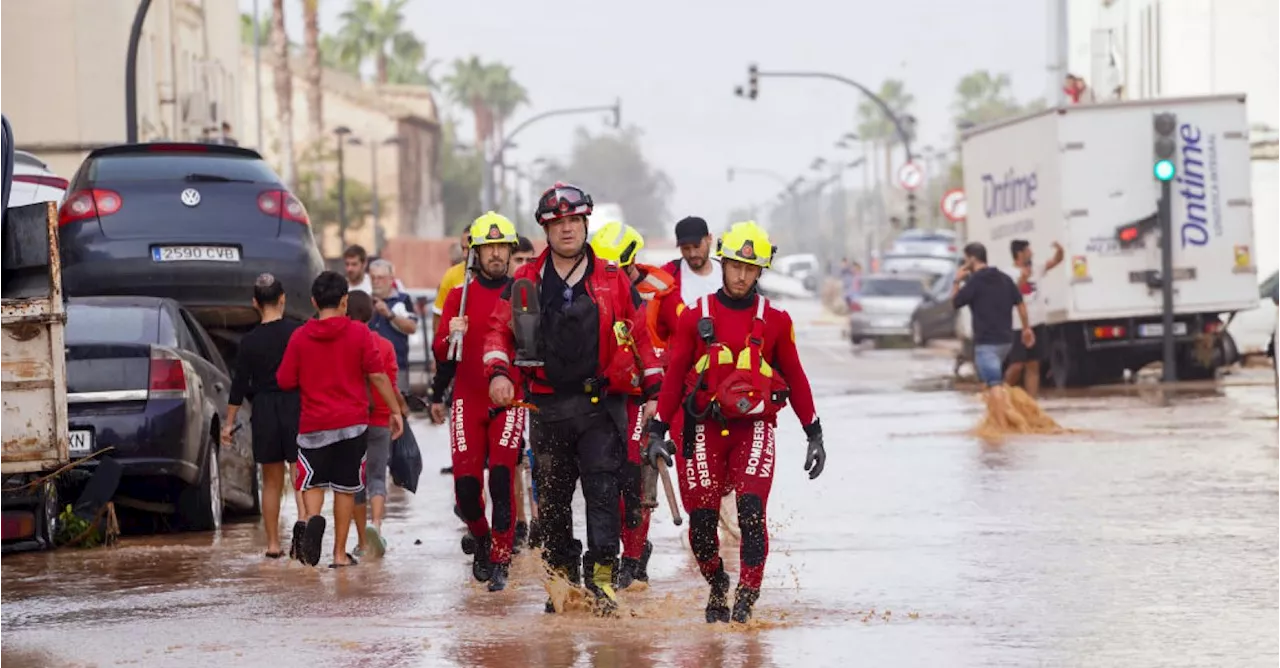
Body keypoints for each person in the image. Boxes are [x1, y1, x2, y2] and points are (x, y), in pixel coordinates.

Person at [483, 182, 662, 616]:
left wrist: (655, 393)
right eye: (557, 223)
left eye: (573, 221)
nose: (566, 230)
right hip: (546, 407)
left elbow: (640, 336)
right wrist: (498, 373)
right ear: (546, 229)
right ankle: (561, 583)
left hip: (601, 408)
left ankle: (603, 582)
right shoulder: (525, 280)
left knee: (603, 495)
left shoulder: (614, 279)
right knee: (555, 503)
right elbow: (496, 332)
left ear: (585, 224)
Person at [644, 221, 826, 624]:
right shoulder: (695, 317)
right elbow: (674, 379)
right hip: (703, 430)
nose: (741, 276)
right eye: (735, 266)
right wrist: (657, 431)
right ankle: (717, 584)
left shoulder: (777, 320)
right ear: (722, 263)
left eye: (750, 269)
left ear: (760, 272)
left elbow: (796, 378)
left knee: (750, 512)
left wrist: (814, 432)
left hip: (755, 429)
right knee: (702, 524)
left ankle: (747, 593)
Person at [276, 272, 404, 568]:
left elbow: (284, 380)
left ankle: (312, 520)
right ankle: (338, 554)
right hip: (352, 425)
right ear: (345, 300)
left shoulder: (299, 337)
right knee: (346, 489)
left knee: (313, 484)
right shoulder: (359, 334)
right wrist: (395, 410)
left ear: (313, 301)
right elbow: (377, 375)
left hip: (313, 425)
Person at [429, 212, 526, 591]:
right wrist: (451, 335)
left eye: (503, 247)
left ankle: (502, 557)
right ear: (476, 253)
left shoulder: (521, 292)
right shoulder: (458, 296)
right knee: (468, 490)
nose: (497, 255)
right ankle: (482, 539)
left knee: (502, 480)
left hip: (508, 401)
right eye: (490, 248)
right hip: (466, 401)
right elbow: (440, 354)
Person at [588, 221, 677, 590]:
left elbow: (682, 344)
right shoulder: (591, 288)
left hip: (646, 401)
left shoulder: (661, 294)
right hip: (605, 396)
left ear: (632, 262)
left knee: (637, 487)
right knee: (604, 487)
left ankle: (634, 558)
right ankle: (612, 559)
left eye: (618, 269)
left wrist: (662, 397)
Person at [221, 273, 305, 559]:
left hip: (265, 408)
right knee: (299, 475)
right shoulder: (298, 332)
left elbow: (239, 385)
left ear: (255, 303)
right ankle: (305, 533)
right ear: (283, 299)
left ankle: (272, 545)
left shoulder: (249, 341)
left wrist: (229, 423)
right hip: (295, 404)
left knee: (271, 481)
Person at [346, 290, 406, 560]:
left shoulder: (343, 343)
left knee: (355, 481)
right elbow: (390, 382)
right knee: (377, 477)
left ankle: (360, 540)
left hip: (352, 420)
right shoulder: (384, 345)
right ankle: (377, 526)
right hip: (382, 417)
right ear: (371, 315)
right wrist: (397, 412)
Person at [951, 242, 1034, 397]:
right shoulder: (1004, 278)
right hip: (1006, 342)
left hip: (986, 343)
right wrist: (1026, 328)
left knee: (993, 386)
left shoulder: (974, 282)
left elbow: (955, 302)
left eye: (966, 259)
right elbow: (1020, 303)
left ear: (972, 259)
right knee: (991, 386)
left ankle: (1002, 420)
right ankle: (999, 416)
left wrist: (956, 280)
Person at [1003, 240, 1063, 396]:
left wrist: (1060, 250)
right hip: (1018, 325)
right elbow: (1010, 295)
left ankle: (1032, 402)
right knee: (1017, 364)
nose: (1032, 253)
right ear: (1020, 253)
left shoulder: (1036, 268)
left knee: (1033, 364)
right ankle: (1001, 393)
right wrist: (1023, 279)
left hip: (1037, 322)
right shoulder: (1008, 273)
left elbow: (1056, 261)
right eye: (1028, 250)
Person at [368, 259, 419, 395]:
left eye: (380, 278)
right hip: (370, 368)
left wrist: (389, 314)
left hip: (397, 366)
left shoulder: (402, 300)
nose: (376, 281)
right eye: (373, 278)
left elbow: (412, 327)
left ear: (391, 279)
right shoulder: (365, 301)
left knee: (399, 406)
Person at [433, 229, 473, 318]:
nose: (465, 255)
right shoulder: (451, 276)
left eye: (469, 249)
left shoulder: (497, 276)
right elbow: (438, 316)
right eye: (463, 248)